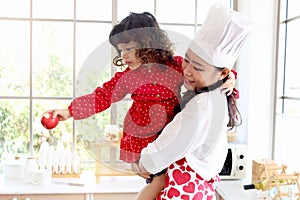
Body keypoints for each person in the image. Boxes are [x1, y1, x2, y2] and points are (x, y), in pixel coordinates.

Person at [42, 11, 237, 200]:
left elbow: (209, 71)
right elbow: (103, 96)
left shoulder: (175, 65)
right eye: (121, 50)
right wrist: (69, 111)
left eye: (128, 48)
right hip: (141, 138)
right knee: (158, 181)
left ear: (149, 45)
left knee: (163, 182)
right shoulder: (129, 76)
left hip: (165, 135)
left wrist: (230, 78)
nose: (124, 55)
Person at [132, 3, 253, 200]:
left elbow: (171, 142)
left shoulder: (202, 106)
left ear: (222, 73)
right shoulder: (215, 95)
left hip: (184, 190)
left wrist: (141, 162)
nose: (187, 70)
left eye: (197, 67)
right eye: (187, 60)